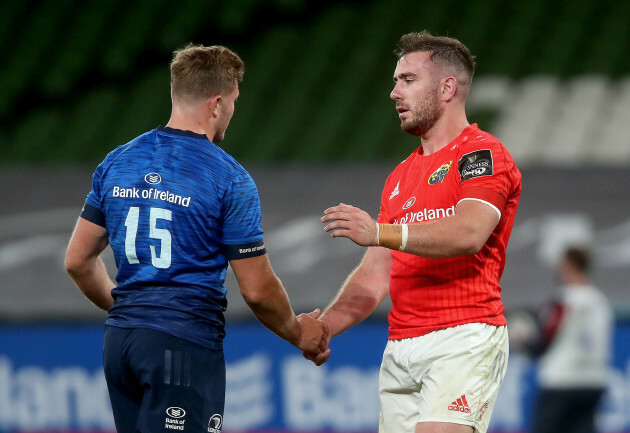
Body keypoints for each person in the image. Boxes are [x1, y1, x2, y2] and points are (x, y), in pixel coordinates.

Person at [65, 44, 329, 433]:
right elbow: (256, 289)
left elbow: (77, 260)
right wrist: (298, 331)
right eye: (235, 101)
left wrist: (133, 314)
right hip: (182, 345)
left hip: (120, 343)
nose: (233, 112)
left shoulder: (118, 161)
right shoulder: (228, 177)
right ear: (218, 103)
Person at [305, 31, 522, 433]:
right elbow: (374, 276)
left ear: (447, 88)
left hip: (463, 336)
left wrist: (382, 232)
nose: (393, 92)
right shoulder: (401, 176)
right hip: (401, 348)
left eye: (407, 80)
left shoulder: (481, 154)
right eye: (395, 80)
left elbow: (470, 232)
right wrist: (324, 328)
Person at [524, 247, 613, 433]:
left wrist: (523, 343)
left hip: (561, 383)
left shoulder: (562, 301)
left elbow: (542, 341)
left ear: (569, 265)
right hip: (593, 382)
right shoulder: (601, 301)